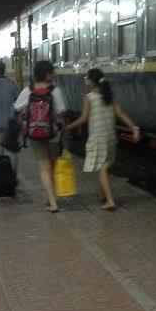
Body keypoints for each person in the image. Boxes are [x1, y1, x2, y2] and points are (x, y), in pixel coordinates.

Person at [66, 67, 140, 210]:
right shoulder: (109, 96)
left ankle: (110, 201)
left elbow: (83, 119)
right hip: (110, 137)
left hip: (98, 137)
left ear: (92, 83)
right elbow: (121, 113)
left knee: (102, 169)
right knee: (104, 166)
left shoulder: (89, 98)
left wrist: (68, 127)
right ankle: (103, 195)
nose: (85, 81)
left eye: (86, 79)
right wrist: (133, 128)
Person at [13, 60, 66, 212]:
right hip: (53, 134)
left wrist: (25, 124)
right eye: (52, 72)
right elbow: (61, 114)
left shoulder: (28, 91)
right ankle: (51, 198)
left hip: (34, 134)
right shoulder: (55, 91)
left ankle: (52, 201)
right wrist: (65, 133)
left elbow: (17, 109)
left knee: (43, 167)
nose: (54, 75)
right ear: (48, 74)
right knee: (52, 166)